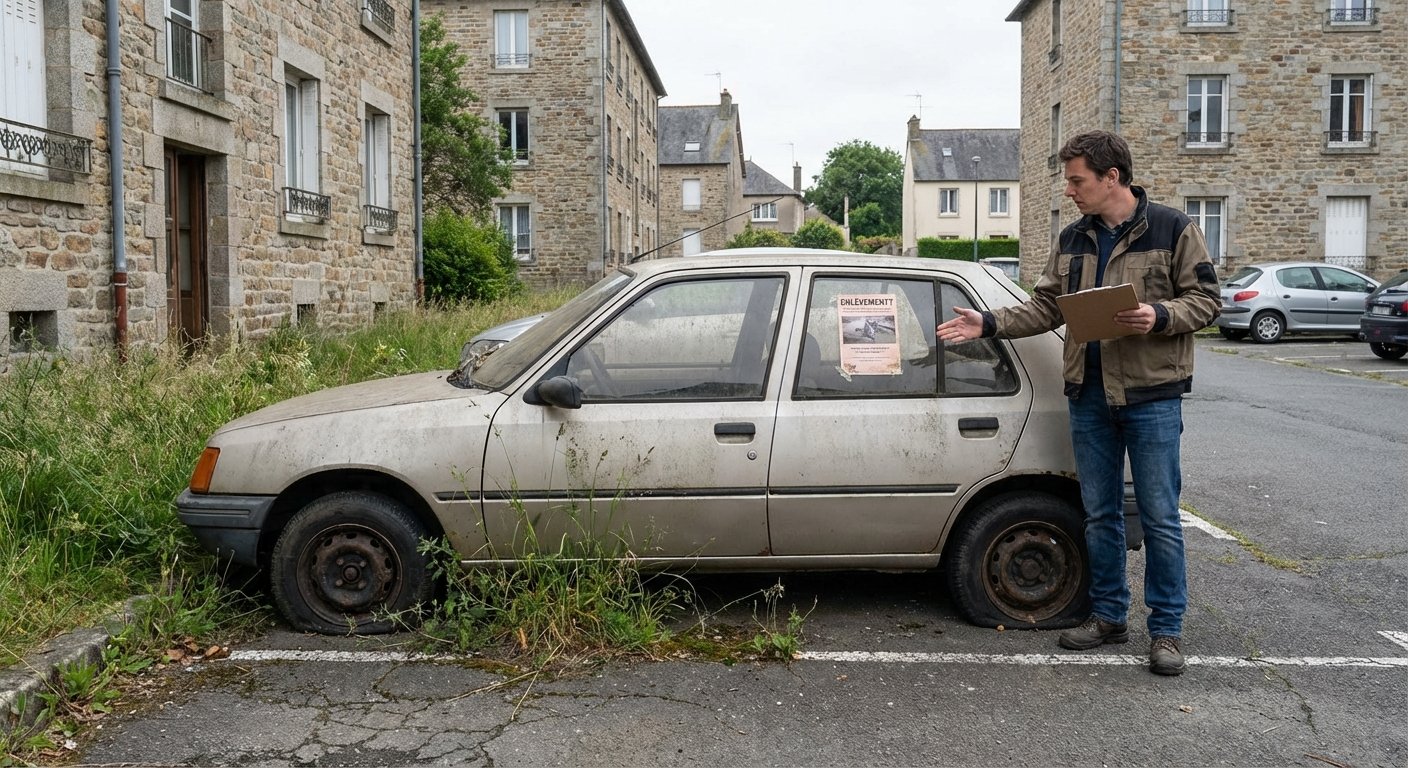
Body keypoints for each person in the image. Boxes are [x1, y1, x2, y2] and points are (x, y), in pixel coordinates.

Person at [935, 130, 1221, 676]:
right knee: (1099, 515)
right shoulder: (1073, 238)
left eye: (1077, 180)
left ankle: (1166, 630)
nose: (1070, 190)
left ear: (1111, 177)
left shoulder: (1172, 228)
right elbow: (1046, 307)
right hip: (1089, 396)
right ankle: (1109, 616)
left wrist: (1158, 316)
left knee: (1160, 517)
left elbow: (1207, 301)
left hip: (1150, 396)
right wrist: (988, 321)